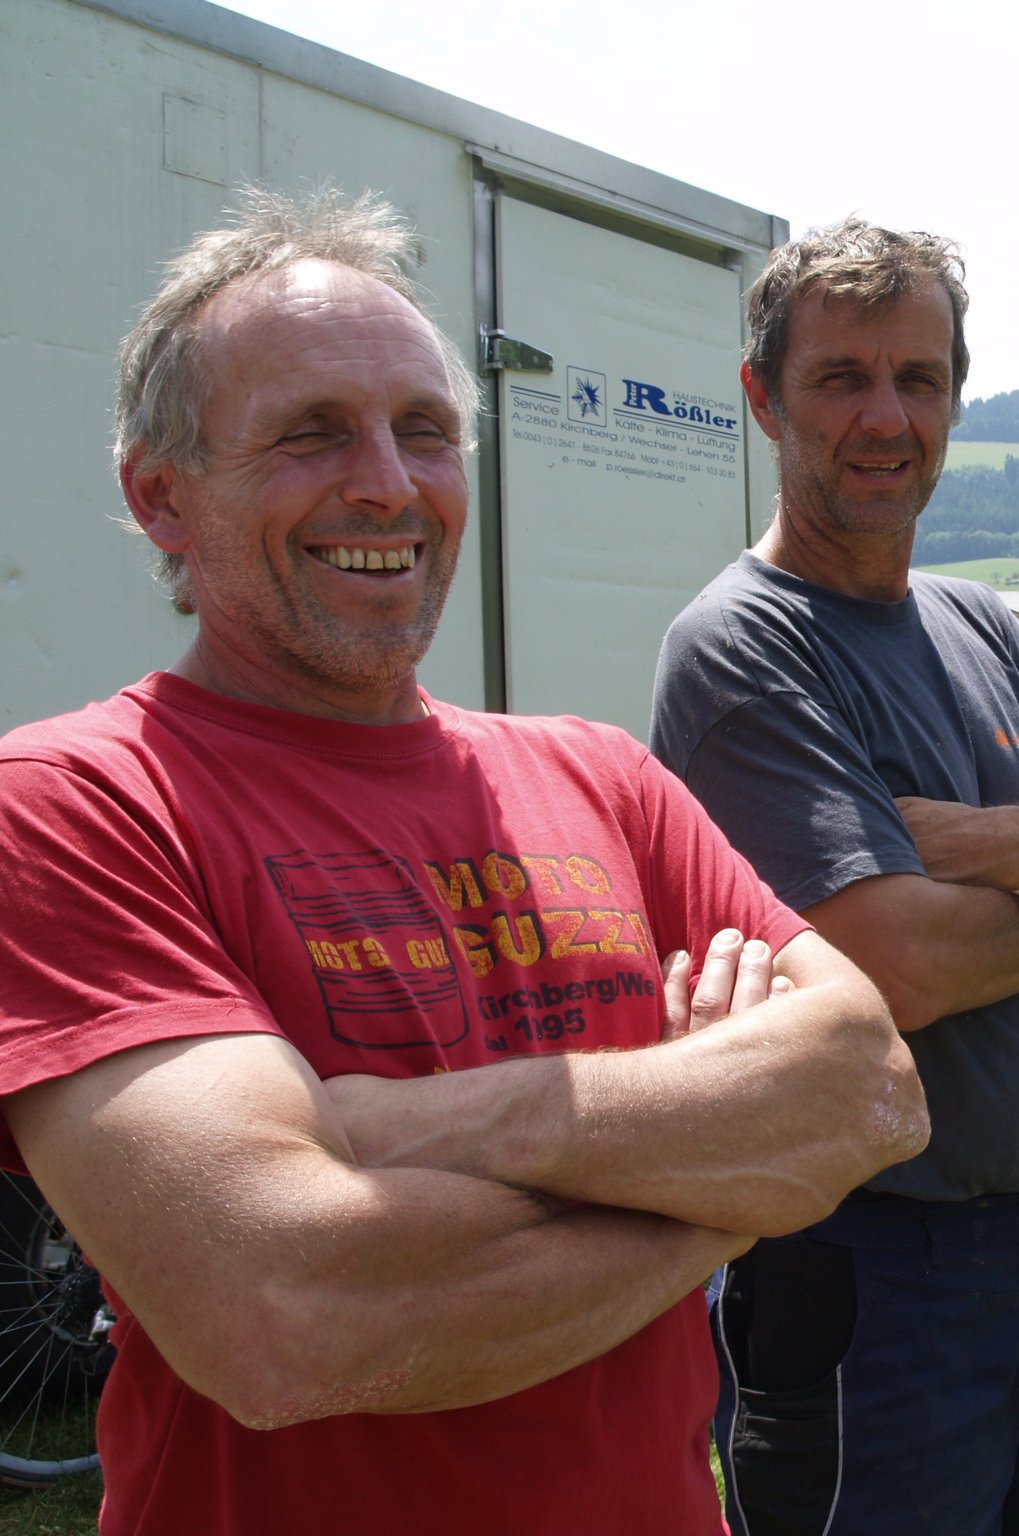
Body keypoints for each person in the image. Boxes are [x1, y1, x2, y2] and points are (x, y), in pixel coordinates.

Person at [0, 189, 928, 1536]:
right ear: (161, 497)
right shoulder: (77, 805)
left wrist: (418, 1126)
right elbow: (289, 1317)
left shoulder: (603, 779)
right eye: (314, 431)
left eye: (426, 430)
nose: (390, 482)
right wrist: (731, 1182)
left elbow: (872, 1091)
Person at [649, 216, 1019, 1535]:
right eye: (842, 378)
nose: (886, 417)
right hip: (867, 1272)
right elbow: (894, 966)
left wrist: (1010, 847)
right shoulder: (741, 648)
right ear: (763, 398)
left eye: (918, 378)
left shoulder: (975, 620)